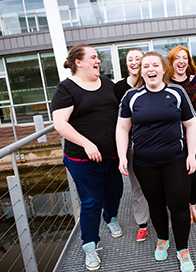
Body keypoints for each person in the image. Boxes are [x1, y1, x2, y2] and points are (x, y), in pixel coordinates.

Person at [116, 51, 196, 272]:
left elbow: (191, 124)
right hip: (144, 162)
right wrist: (123, 155)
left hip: (175, 158)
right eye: (145, 66)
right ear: (141, 71)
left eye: (155, 65)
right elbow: (123, 127)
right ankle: (163, 239)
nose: (150, 69)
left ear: (163, 69)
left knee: (179, 205)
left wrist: (191, 155)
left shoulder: (177, 92)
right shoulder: (131, 97)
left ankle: (183, 249)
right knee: (156, 205)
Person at [51, 44, 124, 271]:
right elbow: (60, 123)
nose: (98, 61)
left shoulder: (109, 85)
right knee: (91, 201)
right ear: (78, 62)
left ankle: (110, 218)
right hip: (82, 160)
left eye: (98, 58)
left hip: (111, 156)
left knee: (115, 192)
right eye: (93, 57)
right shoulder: (66, 89)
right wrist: (86, 143)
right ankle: (90, 246)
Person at [167, 45, 196, 225]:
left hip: (193, 134)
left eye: (185, 58)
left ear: (189, 62)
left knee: (193, 170)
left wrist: (190, 85)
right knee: (176, 173)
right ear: (172, 62)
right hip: (172, 137)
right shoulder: (165, 84)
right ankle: (181, 207)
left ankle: (192, 206)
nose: (181, 61)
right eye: (177, 58)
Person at [115, 48, 151, 242]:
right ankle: (142, 223)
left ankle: (163, 215)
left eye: (138, 58)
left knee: (160, 183)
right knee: (137, 185)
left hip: (154, 142)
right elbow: (120, 122)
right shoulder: (120, 88)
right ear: (127, 64)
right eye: (130, 59)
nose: (134, 62)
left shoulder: (153, 82)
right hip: (132, 145)